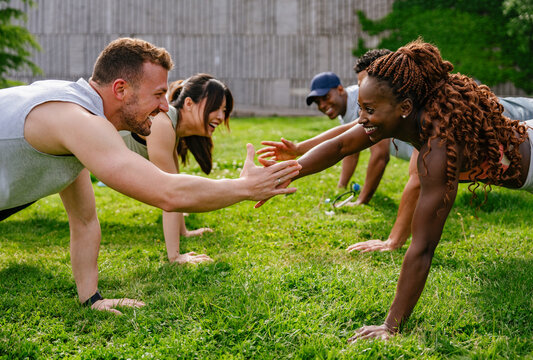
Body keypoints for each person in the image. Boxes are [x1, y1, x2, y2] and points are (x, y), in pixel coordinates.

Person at [0, 37, 301, 314]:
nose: (164, 105)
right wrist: (244, 188)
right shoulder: (79, 121)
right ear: (120, 89)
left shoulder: (77, 118)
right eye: (158, 94)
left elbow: (84, 220)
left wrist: (92, 299)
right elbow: (167, 192)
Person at [260, 39, 532, 340]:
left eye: (370, 110)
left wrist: (390, 326)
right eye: (360, 108)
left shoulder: (438, 149)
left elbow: (423, 247)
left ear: (404, 108)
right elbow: (341, 144)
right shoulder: (398, 118)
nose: (362, 118)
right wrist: (288, 172)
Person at [265, 50, 412, 205]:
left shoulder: (372, 102)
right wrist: (298, 150)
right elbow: (345, 144)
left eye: (326, 97)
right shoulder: (358, 108)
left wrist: (362, 200)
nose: (322, 105)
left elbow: (379, 155)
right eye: (317, 102)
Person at [120, 73, 233, 265]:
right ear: (188, 103)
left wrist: (184, 232)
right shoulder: (162, 124)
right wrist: (176, 256)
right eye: (215, 108)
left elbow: (174, 182)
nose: (221, 117)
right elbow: (170, 193)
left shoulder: (171, 125)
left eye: (224, 110)